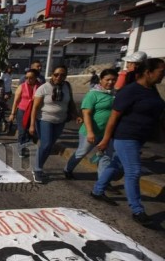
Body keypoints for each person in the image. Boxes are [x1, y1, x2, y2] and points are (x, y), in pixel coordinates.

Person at [92, 58, 165, 227]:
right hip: (126, 137)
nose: (163, 75)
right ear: (148, 72)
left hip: (141, 137)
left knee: (116, 164)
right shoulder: (130, 91)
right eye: (161, 72)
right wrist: (105, 139)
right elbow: (114, 117)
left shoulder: (152, 90)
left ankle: (97, 190)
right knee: (133, 171)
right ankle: (137, 210)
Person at [28, 65, 80, 184]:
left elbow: (70, 102)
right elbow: (35, 108)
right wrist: (31, 125)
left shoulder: (67, 86)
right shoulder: (43, 88)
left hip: (60, 121)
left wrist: (76, 115)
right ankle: (37, 169)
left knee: (49, 146)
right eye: (56, 74)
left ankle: (38, 166)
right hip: (44, 119)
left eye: (62, 75)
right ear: (52, 75)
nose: (59, 77)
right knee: (45, 145)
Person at [63, 69, 117, 180]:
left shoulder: (114, 94)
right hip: (90, 132)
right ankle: (68, 169)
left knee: (106, 157)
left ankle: (103, 181)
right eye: (108, 80)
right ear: (101, 80)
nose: (111, 82)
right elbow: (86, 114)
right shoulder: (93, 94)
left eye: (113, 80)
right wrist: (90, 132)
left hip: (107, 133)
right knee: (82, 152)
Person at [8, 69, 40, 157]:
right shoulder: (22, 86)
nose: (28, 80)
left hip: (35, 112)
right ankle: (20, 148)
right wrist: (12, 113)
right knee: (22, 131)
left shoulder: (40, 87)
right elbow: (16, 101)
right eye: (27, 78)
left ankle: (28, 145)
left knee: (33, 132)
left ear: (36, 78)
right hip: (22, 111)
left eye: (31, 78)